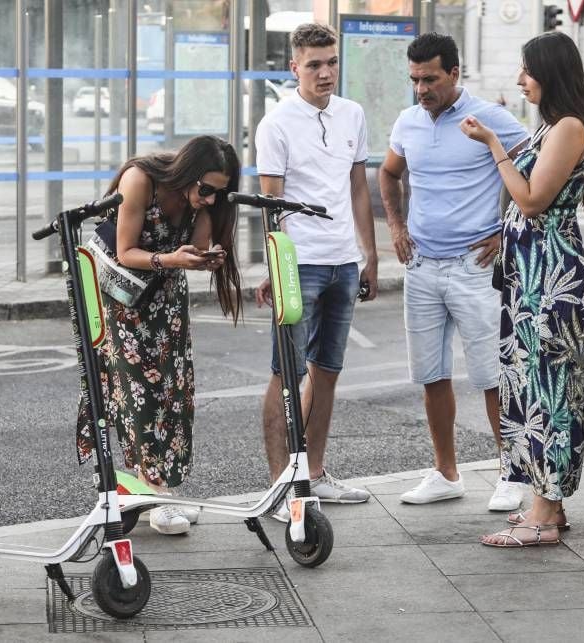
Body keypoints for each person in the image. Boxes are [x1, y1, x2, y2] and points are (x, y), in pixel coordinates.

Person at [378, 33, 528, 512]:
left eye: (430, 79)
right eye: (415, 80)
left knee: (491, 375)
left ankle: (511, 472)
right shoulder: (408, 121)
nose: (421, 89)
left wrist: (507, 231)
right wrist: (397, 228)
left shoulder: (490, 118)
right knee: (431, 374)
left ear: (455, 73)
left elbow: (536, 173)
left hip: (474, 267)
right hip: (421, 266)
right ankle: (446, 473)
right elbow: (388, 173)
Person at [459, 31, 584, 547]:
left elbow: (534, 199)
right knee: (534, 382)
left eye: (527, 70)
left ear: (551, 72)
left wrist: (494, 146)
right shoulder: (552, 128)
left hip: (550, 279)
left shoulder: (567, 128)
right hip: (531, 276)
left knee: (550, 388)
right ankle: (549, 506)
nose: (521, 80)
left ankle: (543, 516)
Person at [76, 135, 243, 535]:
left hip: (165, 302)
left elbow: (196, 245)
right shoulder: (141, 180)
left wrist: (207, 256)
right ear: (187, 172)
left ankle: (162, 488)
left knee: (175, 394)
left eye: (219, 194)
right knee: (142, 397)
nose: (209, 199)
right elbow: (126, 249)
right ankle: (154, 497)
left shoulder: (203, 199)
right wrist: (170, 258)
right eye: (205, 189)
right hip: (121, 301)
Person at [254, 22, 378, 521]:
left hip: (344, 260)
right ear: (294, 67)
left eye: (331, 63)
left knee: (328, 370)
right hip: (300, 261)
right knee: (286, 372)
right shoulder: (277, 124)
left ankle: (317, 474)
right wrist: (274, 266)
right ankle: (280, 486)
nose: (325, 73)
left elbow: (358, 189)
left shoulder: (352, 114)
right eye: (314, 65)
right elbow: (270, 204)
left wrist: (371, 254)